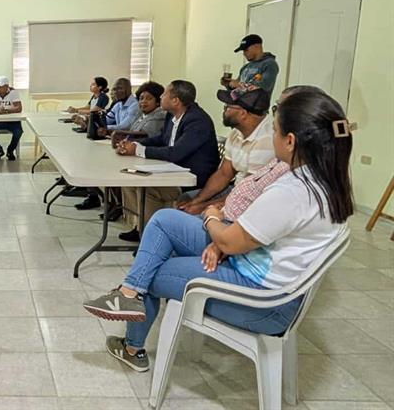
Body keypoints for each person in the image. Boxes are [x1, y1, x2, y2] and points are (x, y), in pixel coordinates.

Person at [83, 90, 354, 373]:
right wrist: (222, 236)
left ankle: (132, 345)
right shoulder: (322, 178)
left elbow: (233, 240)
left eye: (274, 129)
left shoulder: (292, 192)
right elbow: (248, 229)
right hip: (254, 265)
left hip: (260, 302)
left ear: (290, 141)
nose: (270, 134)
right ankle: (128, 292)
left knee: (152, 271)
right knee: (164, 220)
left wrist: (213, 219)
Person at [115, 80, 220, 242]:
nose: (161, 97)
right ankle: (140, 228)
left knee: (149, 189)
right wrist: (134, 144)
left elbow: (175, 153)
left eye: (164, 94)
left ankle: (151, 238)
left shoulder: (197, 121)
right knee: (129, 180)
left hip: (192, 178)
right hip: (172, 169)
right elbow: (162, 139)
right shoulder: (172, 115)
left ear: (175, 101)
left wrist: (137, 150)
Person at [176, 85, 275, 215]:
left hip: (253, 202)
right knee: (185, 200)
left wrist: (203, 207)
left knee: (185, 217)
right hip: (236, 189)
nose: (224, 111)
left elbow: (248, 195)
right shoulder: (236, 133)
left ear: (243, 113)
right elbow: (224, 173)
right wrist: (197, 201)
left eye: (227, 107)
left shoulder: (267, 141)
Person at [76, 82, 167, 211]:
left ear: (157, 101)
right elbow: (124, 127)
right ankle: (110, 202)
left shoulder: (158, 116)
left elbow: (141, 134)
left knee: (108, 167)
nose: (143, 102)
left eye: (149, 98)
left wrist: (112, 133)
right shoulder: (141, 114)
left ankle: (115, 205)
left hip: (146, 158)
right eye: (141, 98)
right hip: (133, 154)